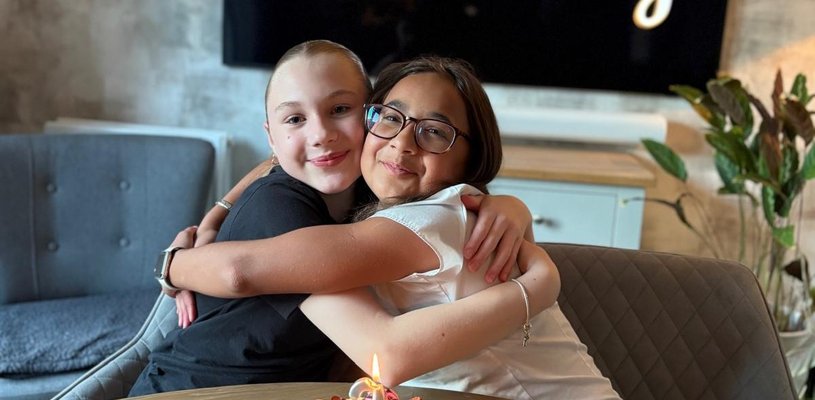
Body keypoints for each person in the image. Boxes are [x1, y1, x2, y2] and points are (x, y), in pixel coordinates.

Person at [162, 56, 621, 399]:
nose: (401, 144)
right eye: (391, 118)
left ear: (469, 157)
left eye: (435, 131)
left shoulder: (421, 221)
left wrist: (173, 265)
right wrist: (219, 210)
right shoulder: (395, 202)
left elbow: (242, 272)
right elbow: (287, 158)